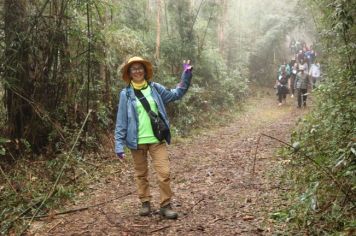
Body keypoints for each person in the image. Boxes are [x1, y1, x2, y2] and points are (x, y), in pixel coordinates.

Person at [114, 56, 193, 219]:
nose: (137, 71)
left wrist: (186, 75)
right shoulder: (126, 94)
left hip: (157, 139)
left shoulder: (155, 88)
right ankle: (145, 202)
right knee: (141, 174)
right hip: (136, 142)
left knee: (164, 173)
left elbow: (176, 94)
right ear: (129, 73)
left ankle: (165, 205)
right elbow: (121, 121)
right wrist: (119, 145)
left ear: (145, 70)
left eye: (140, 68)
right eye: (133, 69)